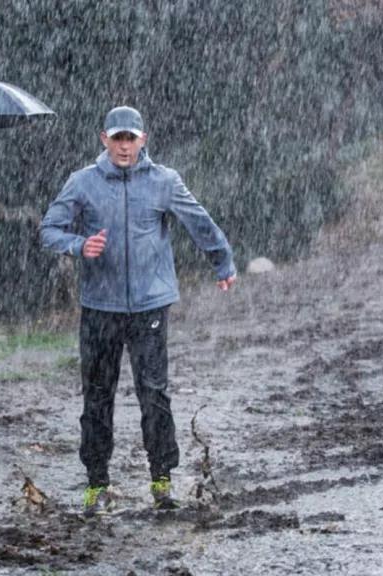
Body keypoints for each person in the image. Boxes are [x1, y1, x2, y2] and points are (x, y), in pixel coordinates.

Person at [40, 106, 236, 516]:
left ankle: (161, 480)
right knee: (96, 398)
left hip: (149, 305)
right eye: (117, 138)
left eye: (131, 138)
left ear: (143, 139)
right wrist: (79, 246)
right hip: (100, 309)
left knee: (154, 395)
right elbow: (49, 229)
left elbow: (198, 221)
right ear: (104, 139)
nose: (124, 146)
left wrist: (222, 262)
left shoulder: (164, 181)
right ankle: (96, 484)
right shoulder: (83, 183)